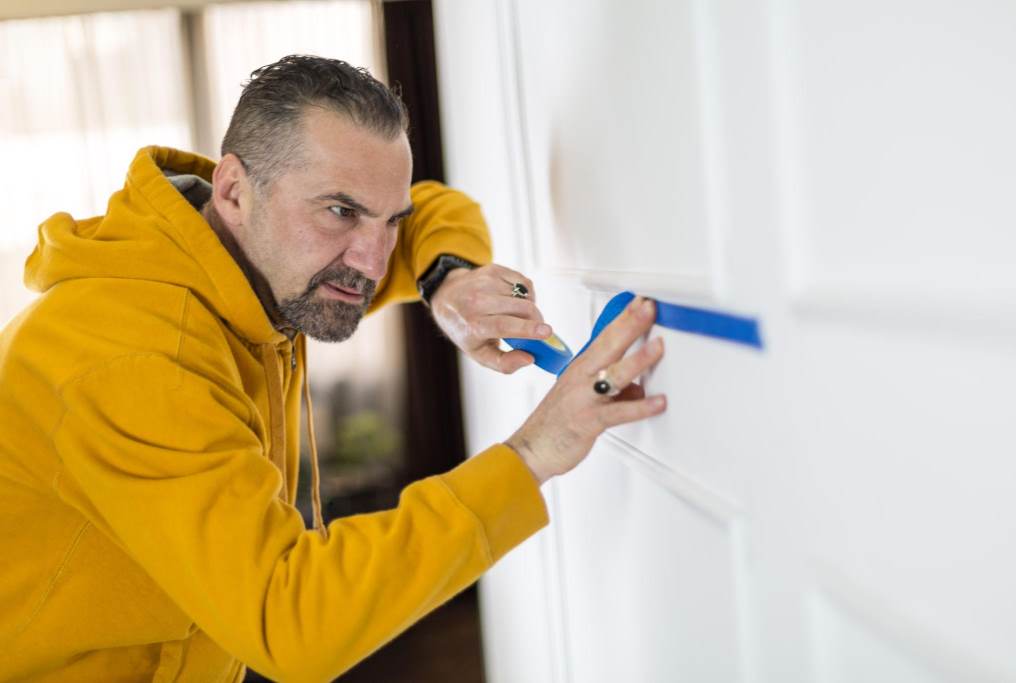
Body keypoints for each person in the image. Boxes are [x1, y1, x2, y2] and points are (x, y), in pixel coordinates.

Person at [0, 55, 666, 682]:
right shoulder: (136, 360)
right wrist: (532, 453)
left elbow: (434, 206)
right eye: (340, 211)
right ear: (233, 189)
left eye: (388, 222)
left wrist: (448, 278)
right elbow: (288, 619)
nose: (374, 263)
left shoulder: (245, 264)